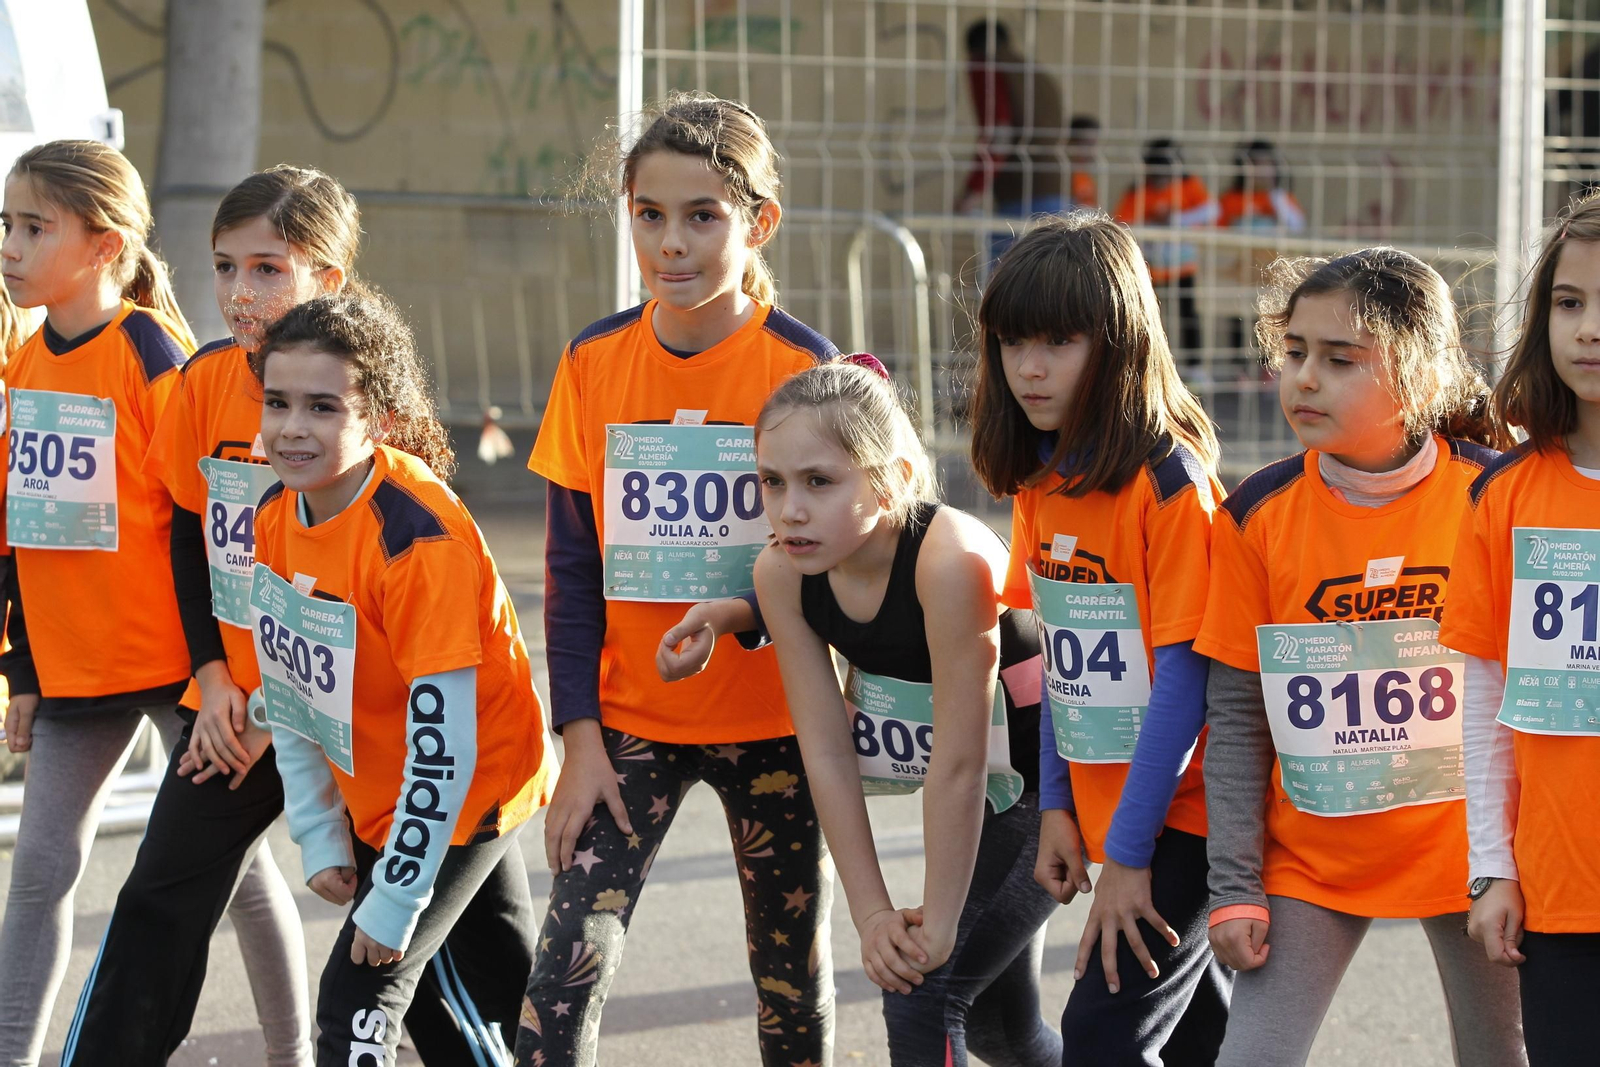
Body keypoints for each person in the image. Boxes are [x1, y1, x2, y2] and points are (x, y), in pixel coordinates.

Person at [515, 92, 840, 1067]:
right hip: (627, 729)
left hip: (779, 728)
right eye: (649, 215)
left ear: (757, 223)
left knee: (791, 995)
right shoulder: (592, 360)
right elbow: (570, 567)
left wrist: (746, 615)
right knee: (559, 982)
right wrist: (575, 734)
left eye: (703, 216)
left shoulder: (806, 372)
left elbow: (839, 572)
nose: (672, 244)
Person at [62, 164, 363, 1066]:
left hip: (354, 709)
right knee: (156, 902)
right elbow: (190, 538)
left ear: (327, 279)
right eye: (225, 266)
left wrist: (280, 709)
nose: (238, 291)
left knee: (421, 936)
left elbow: (368, 584)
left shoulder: (365, 389)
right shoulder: (200, 382)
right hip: (233, 704)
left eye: (267, 267)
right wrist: (213, 677)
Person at [1195, 248, 1526, 1067]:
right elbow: (1237, 712)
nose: (1304, 377)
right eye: (1294, 351)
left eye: (1339, 360)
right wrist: (1234, 880)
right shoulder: (1257, 514)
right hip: (1314, 862)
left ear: (1417, 377)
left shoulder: (1493, 495)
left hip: (1476, 858)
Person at [249, 288, 554, 1064]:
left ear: (380, 418)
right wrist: (320, 834)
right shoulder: (277, 518)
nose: (291, 426)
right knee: (486, 1010)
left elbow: (443, 748)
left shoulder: (418, 540)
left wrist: (396, 895)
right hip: (397, 798)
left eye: (322, 406)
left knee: (357, 1002)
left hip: (462, 790)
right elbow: (292, 695)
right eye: (277, 401)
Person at [969, 212, 1231, 1065]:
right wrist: (1056, 808)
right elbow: (1060, 661)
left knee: (1099, 1037)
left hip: (1187, 815)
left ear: (1117, 344)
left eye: (1058, 340)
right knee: (1200, 1032)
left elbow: (1186, 692)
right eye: (1012, 343)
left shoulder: (1169, 487)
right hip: (1108, 811)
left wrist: (1125, 856)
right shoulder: (1043, 480)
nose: (1030, 368)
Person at [752, 358, 1059, 1066]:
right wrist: (872, 911)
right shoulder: (782, 574)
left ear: (888, 479)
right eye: (772, 480)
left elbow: (957, 764)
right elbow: (826, 751)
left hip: (1040, 786)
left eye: (818, 481)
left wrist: (937, 918)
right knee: (999, 1031)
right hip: (974, 788)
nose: (789, 507)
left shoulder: (947, 560)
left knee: (923, 986)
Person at [0, 139, 205, 1067]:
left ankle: (292, 1052)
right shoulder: (23, 369)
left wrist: (218, 668)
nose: (10, 243)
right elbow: (26, 539)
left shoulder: (152, 352)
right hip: (74, 670)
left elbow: (199, 519)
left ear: (103, 243)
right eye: (6, 223)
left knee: (227, 881)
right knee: (39, 876)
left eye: (34, 226)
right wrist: (26, 673)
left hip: (176, 668)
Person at [1444, 193, 1600, 1066]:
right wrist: (1492, 867)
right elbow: (1487, 700)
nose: (1589, 328)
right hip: (1563, 887)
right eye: (1570, 302)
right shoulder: (1506, 495)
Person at [957, 19, 1067, 263]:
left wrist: (972, 191)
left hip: (1020, 193)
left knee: (1004, 285)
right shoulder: (1033, 72)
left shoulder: (986, 66)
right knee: (1050, 283)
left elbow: (999, 134)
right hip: (1055, 185)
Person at [1113, 139, 1218, 362]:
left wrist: (1175, 219)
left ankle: (1194, 365)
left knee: (1188, 316)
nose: (1161, 180)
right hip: (1152, 269)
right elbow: (1122, 226)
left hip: (1183, 266)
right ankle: (1152, 361)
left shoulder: (1189, 186)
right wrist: (1151, 226)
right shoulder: (1138, 193)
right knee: (1152, 317)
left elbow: (1211, 211)